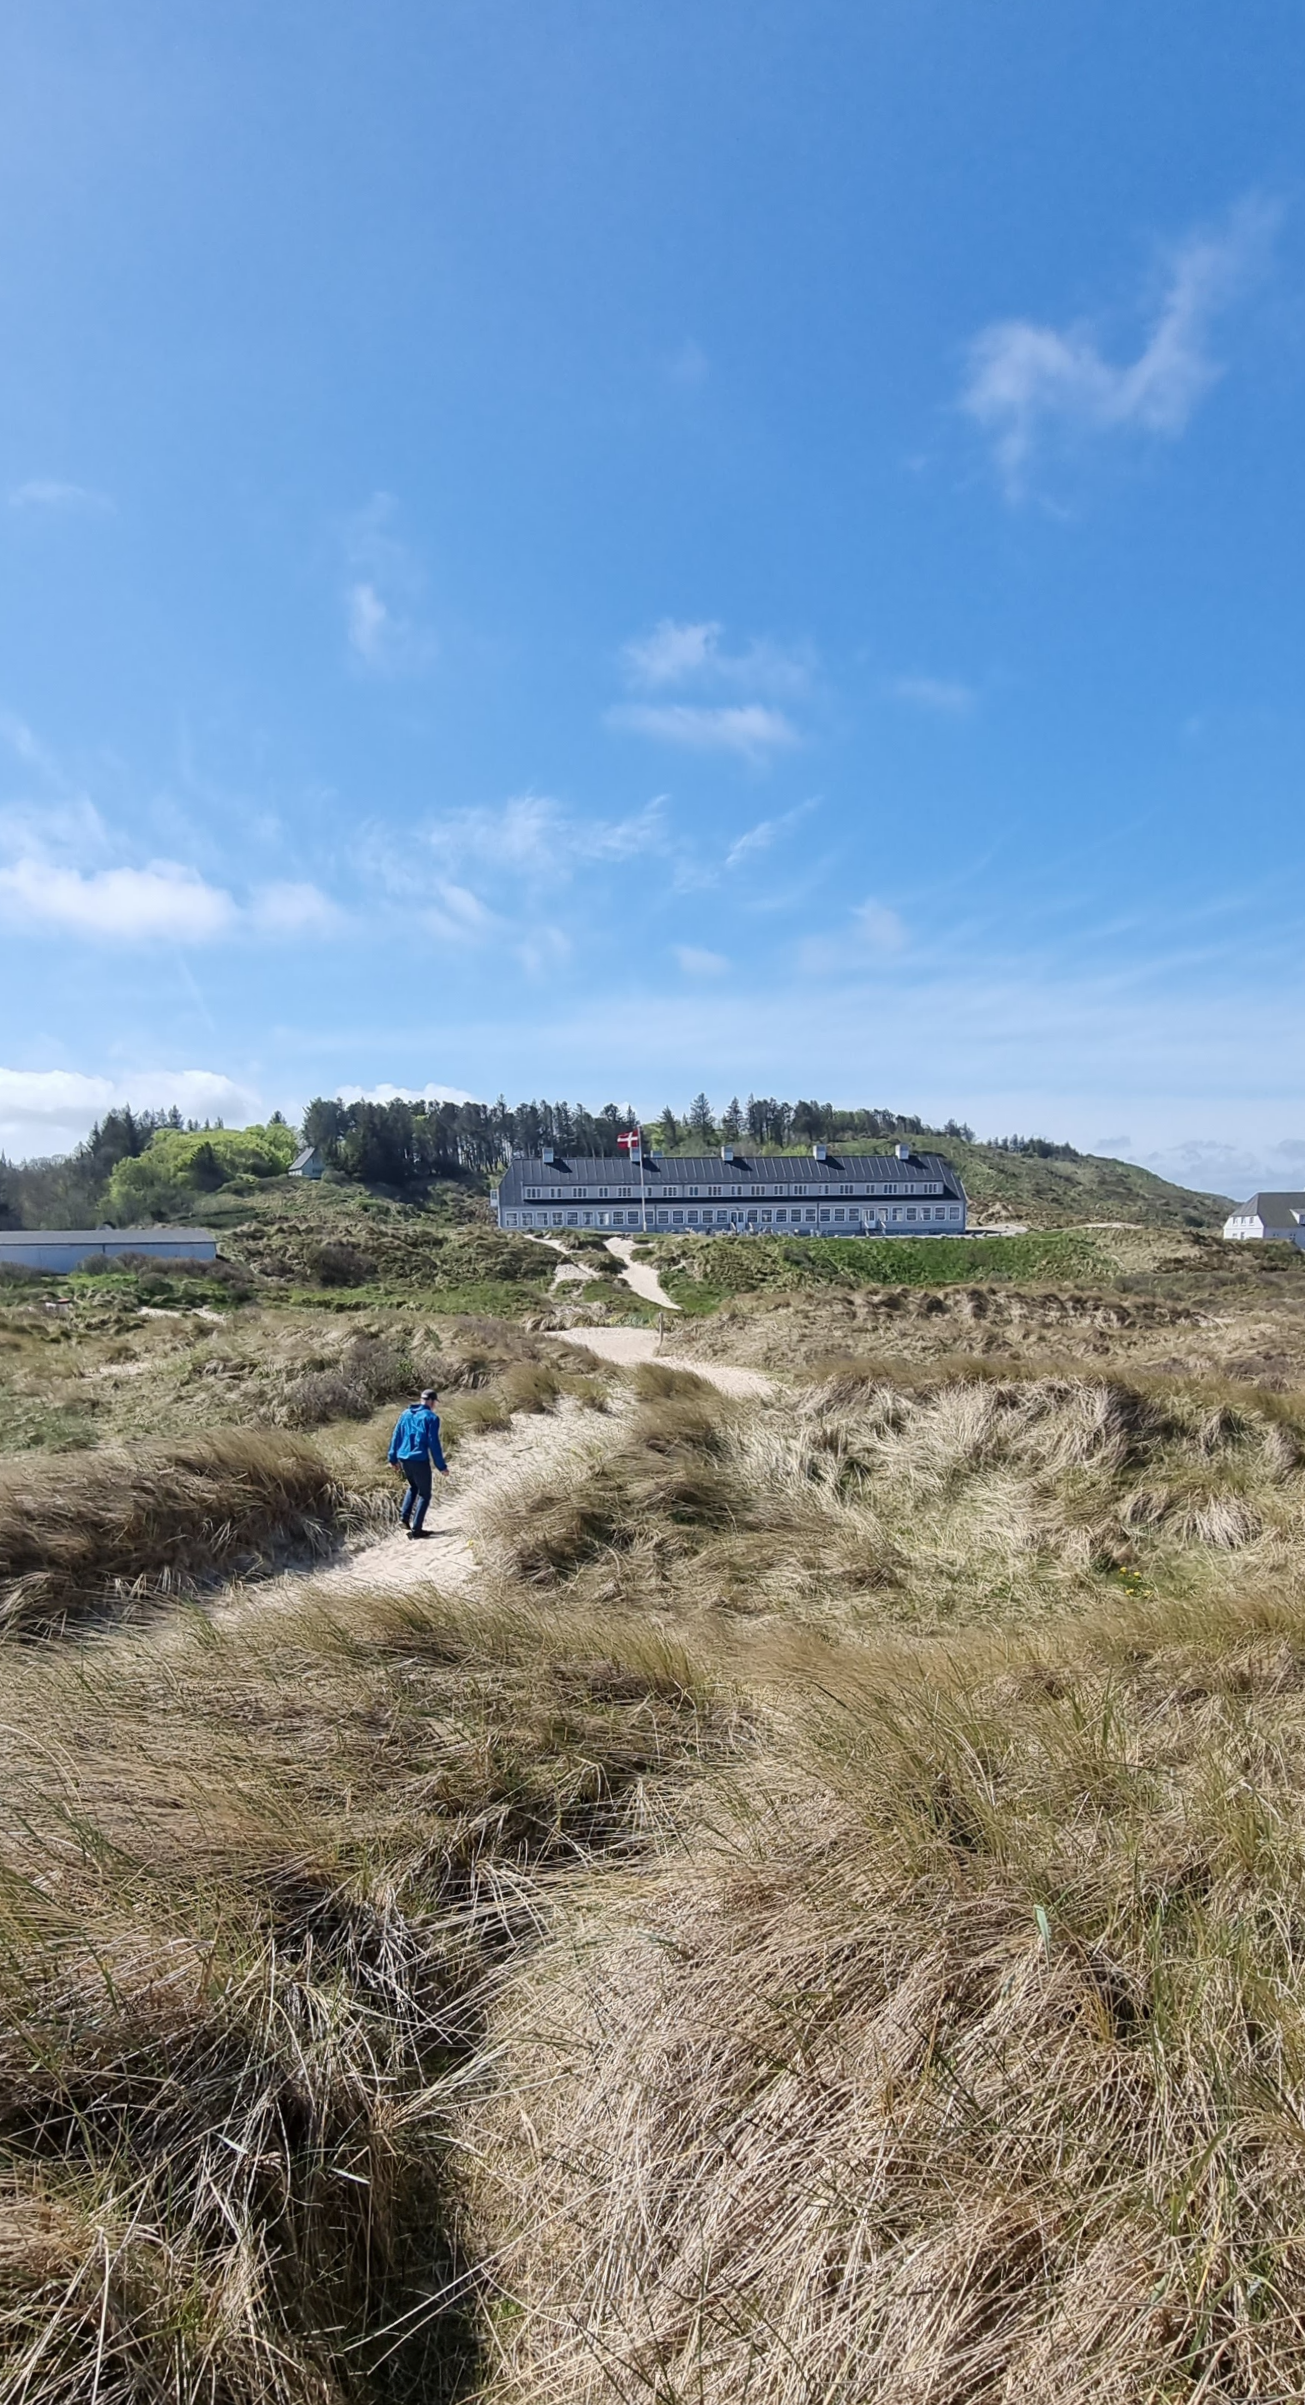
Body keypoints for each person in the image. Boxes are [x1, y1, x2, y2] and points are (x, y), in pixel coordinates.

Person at [387, 1386, 448, 1538]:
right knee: (425, 1494)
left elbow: (396, 1436)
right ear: (432, 1402)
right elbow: (434, 1444)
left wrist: (392, 1458)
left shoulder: (405, 1414)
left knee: (413, 1486)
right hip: (419, 1459)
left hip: (404, 1458)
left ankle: (404, 1518)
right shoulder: (431, 1418)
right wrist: (441, 1466)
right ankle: (417, 1529)